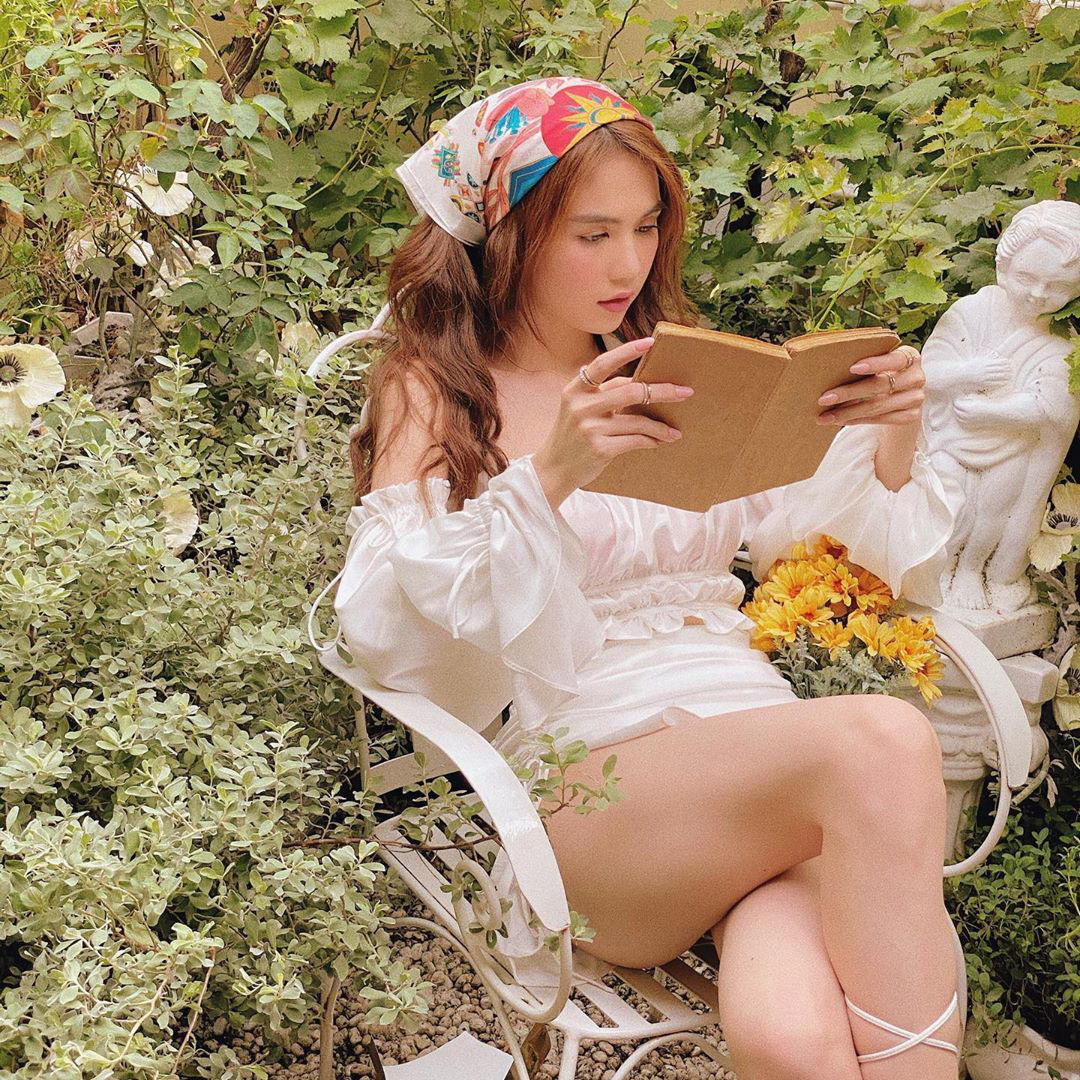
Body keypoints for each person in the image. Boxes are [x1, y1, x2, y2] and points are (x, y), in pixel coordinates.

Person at [309, 76, 968, 1079]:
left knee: (792, 1040)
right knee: (883, 738)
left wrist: (891, 436)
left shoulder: (668, 367)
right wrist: (553, 473)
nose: (630, 263)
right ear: (510, 233)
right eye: (593, 234)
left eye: (648, 227)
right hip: (591, 786)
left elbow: (813, 543)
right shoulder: (435, 389)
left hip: (758, 769)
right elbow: (393, 626)